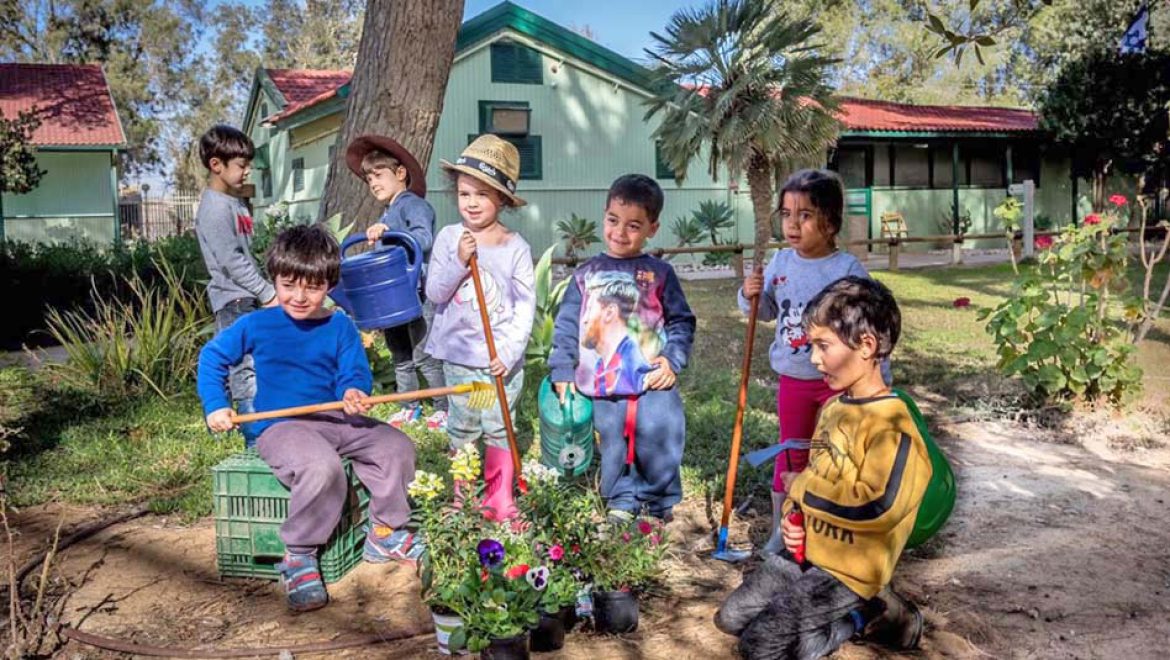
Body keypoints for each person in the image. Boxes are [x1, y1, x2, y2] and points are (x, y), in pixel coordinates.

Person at [198, 225, 419, 612]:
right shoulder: (256, 324)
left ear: (330, 285)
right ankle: (298, 554)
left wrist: (352, 392)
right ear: (275, 279)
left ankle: (384, 531)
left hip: (334, 419)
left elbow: (354, 372)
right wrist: (217, 404)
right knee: (321, 467)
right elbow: (212, 358)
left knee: (396, 446)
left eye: (313, 287)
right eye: (289, 284)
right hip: (281, 427)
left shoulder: (339, 325)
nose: (300, 297)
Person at [715, 276, 930, 660]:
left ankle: (867, 614)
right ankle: (838, 616)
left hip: (849, 570)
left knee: (760, 646)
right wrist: (792, 519)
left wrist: (800, 491)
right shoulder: (834, 408)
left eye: (823, 346)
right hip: (809, 553)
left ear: (866, 346)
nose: (814, 359)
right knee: (730, 619)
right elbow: (821, 471)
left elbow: (877, 506)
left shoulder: (894, 428)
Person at [738, 169, 879, 554]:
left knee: (835, 453)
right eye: (786, 214)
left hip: (837, 382)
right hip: (794, 379)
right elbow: (764, 310)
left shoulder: (846, 269)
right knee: (792, 452)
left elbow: (873, 318)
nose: (793, 224)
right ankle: (784, 529)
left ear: (830, 222)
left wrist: (878, 374)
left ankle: (830, 526)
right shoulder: (781, 263)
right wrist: (749, 293)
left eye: (805, 215)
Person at [549, 174, 696, 524]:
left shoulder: (660, 272)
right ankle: (620, 498)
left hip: (652, 381)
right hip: (602, 382)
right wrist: (562, 369)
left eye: (634, 225)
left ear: (652, 228)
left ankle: (658, 503)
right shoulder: (585, 274)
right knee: (612, 441)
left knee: (660, 436)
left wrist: (673, 361)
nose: (620, 232)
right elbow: (567, 323)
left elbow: (681, 321)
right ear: (604, 216)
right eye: (613, 221)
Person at [425, 134, 535, 522]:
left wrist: (507, 353)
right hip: (461, 359)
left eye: (481, 195)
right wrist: (458, 260)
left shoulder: (514, 247)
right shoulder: (450, 238)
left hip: (497, 363)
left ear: (502, 199)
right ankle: (464, 495)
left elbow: (524, 309)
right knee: (465, 426)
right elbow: (435, 292)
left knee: (499, 425)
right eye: (464, 193)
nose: (470, 203)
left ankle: (500, 497)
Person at [345, 135, 449, 430]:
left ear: (400, 173)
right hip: (392, 298)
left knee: (423, 354)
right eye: (369, 179)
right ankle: (409, 407)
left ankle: (443, 407)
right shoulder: (388, 212)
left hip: (415, 293)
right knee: (400, 354)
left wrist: (388, 232)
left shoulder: (413, 205)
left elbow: (424, 238)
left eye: (379, 175)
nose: (373, 183)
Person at [194, 125, 275, 447]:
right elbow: (231, 260)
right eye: (241, 165)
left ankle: (253, 428)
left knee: (249, 364)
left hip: (247, 297)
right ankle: (255, 440)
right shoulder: (214, 208)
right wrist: (267, 292)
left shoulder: (235, 203)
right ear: (217, 165)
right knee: (245, 368)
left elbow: (246, 252)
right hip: (234, 300)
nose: (246, 171)